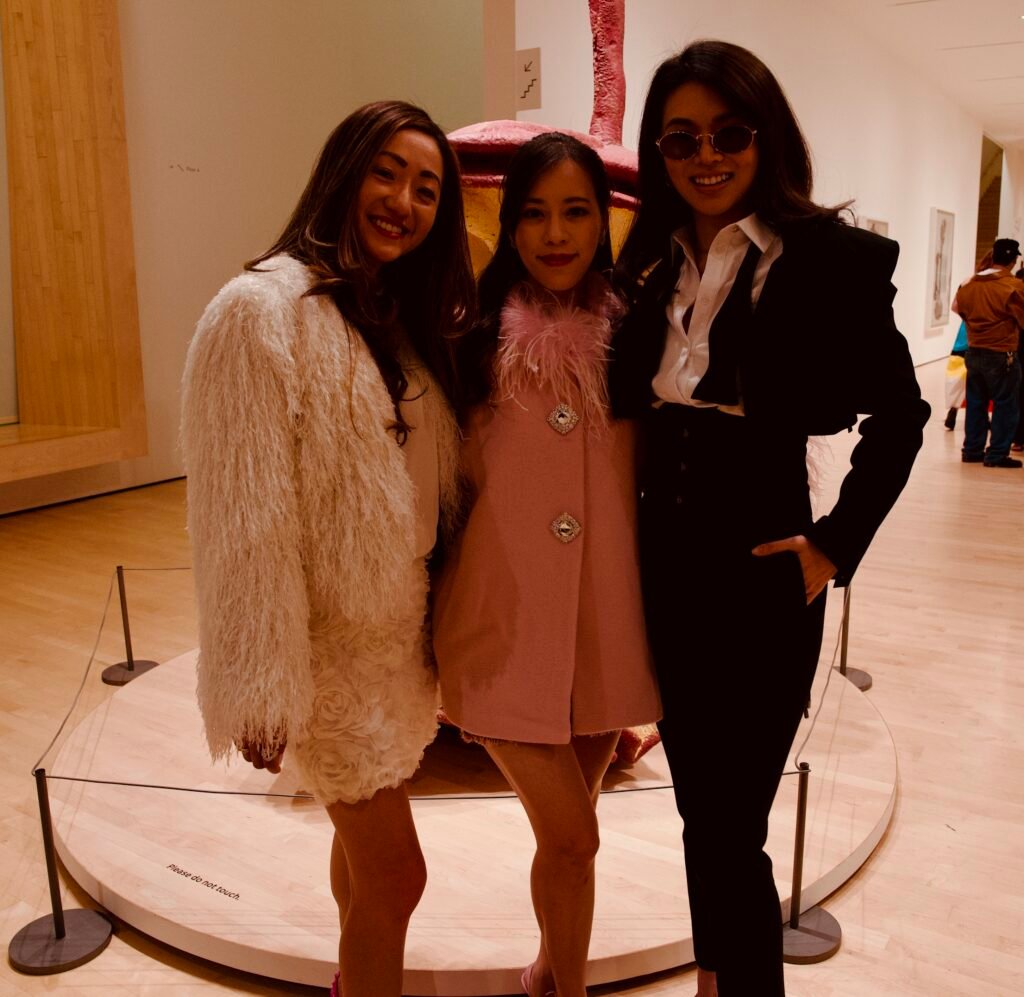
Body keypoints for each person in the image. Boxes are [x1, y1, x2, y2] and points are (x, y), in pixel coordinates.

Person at [609, 41, 930, 997]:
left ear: (765, 136)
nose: (705, 156)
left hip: (761, 568)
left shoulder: (832, 260)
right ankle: (717, 974)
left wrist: (834, 545)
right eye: (680, 139)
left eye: (728, 133)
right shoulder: (647, 257)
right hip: (659, 565)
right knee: (702, 807)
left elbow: (902, 418)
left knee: (727, 816)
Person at [180, 101, 475, 997]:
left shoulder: (391, 316)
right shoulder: (256, 311)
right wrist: (258, 684)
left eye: (427, 188)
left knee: (362, 864)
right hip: (323, 658)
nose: (404, 201)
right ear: (343, 172)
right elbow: (243, 519)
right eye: (387, 172)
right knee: (397, 872)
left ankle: (356, 978)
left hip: (393, 644)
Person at [432, 132, 661, 997]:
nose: (556, 233)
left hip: (605, 627)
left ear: (605, 220)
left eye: (576, 211)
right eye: (534, 213)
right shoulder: (471, 340)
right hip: (500, 630)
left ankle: (546, 969)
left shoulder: (638, 339)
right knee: (574, 838)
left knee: (570, 836)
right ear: (508, 224)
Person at [952, 237, 1024, 467]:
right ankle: (996, 454)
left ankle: (972, 450)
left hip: (974, 350)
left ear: (992, 256)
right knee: (1005, 403)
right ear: (1013, 261)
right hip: (1002, 352)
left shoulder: (969, 284)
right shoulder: (1013, 286)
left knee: (975, 402)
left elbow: (956, 307)